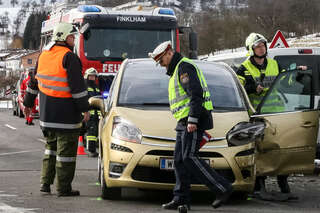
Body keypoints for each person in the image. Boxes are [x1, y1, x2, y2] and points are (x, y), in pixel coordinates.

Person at [149, 41, 233, 211]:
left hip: (193, 120)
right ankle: (181, 199)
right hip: (184, 122)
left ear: (169, 53)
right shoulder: (177, 70)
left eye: (161, 60)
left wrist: (193, 120)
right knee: (180, 160)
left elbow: (196, 94)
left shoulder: (184, 67)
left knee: (189, 157)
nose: (161, 65)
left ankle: (223, 188)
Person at [23, 22, 90, 197]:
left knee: (50, 151)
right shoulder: (69, 57)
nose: (73, 40)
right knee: (65, 155)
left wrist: (28, 104)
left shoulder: (44, 56)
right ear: (64, 37)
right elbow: (77, 89)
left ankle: (45, 183)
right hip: (66, 117)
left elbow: (33, 83)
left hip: (47, 116)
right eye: (72, 37)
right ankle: (63, 188)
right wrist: (85, 109)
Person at [236, 32, 290, 195]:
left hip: (277, 114)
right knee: (260, 151)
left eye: (263, 45)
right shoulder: (243, 68)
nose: (261, 49)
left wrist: (297, 73)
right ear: (251, 50)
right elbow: (237, 90)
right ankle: (260, 184)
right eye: (257, 46)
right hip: (258, 116)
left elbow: (287, 83)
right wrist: (253, 88)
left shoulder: (274, 64)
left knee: (280, 150)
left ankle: (283, 182)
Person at [83, 67, 101, 157]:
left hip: (96, 114)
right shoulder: (84, 86)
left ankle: (92, 149)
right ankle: (91, 151)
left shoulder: (96, 87)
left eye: (94, 76)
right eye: (91, 76)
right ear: (87, 76)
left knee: (95, 133)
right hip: (89, 113)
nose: (92, 78)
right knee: (91, 133)